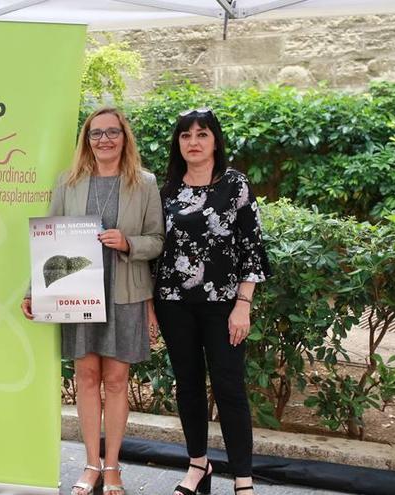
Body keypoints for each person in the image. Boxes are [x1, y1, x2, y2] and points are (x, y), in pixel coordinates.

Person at [21, 107, 164, 495]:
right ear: (86, 139)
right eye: (95, 133)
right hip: (76, 293)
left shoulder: (145, 183)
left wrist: (129, 243)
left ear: (124, 137)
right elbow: (48, 240)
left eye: (112, 132)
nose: (104, 139)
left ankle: (114, 468)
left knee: (116, 381)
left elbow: (158, 240)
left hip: (125, 293)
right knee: (86, 378)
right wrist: (34, 289)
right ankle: (90, 465)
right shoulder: (68, 182)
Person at [152, 108, 271, 495]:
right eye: (186, 136)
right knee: (187, 385)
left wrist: (244, 303)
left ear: (215, 141)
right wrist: (151, 305)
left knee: (229, 387)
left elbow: (252, 248)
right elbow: (157, 251)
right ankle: (198, 466)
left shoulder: (235, 186)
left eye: (202, 135)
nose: (194, 143)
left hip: (223, 304)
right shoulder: (167, 190)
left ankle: (242, 479)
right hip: (174, 302)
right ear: (178, 143)